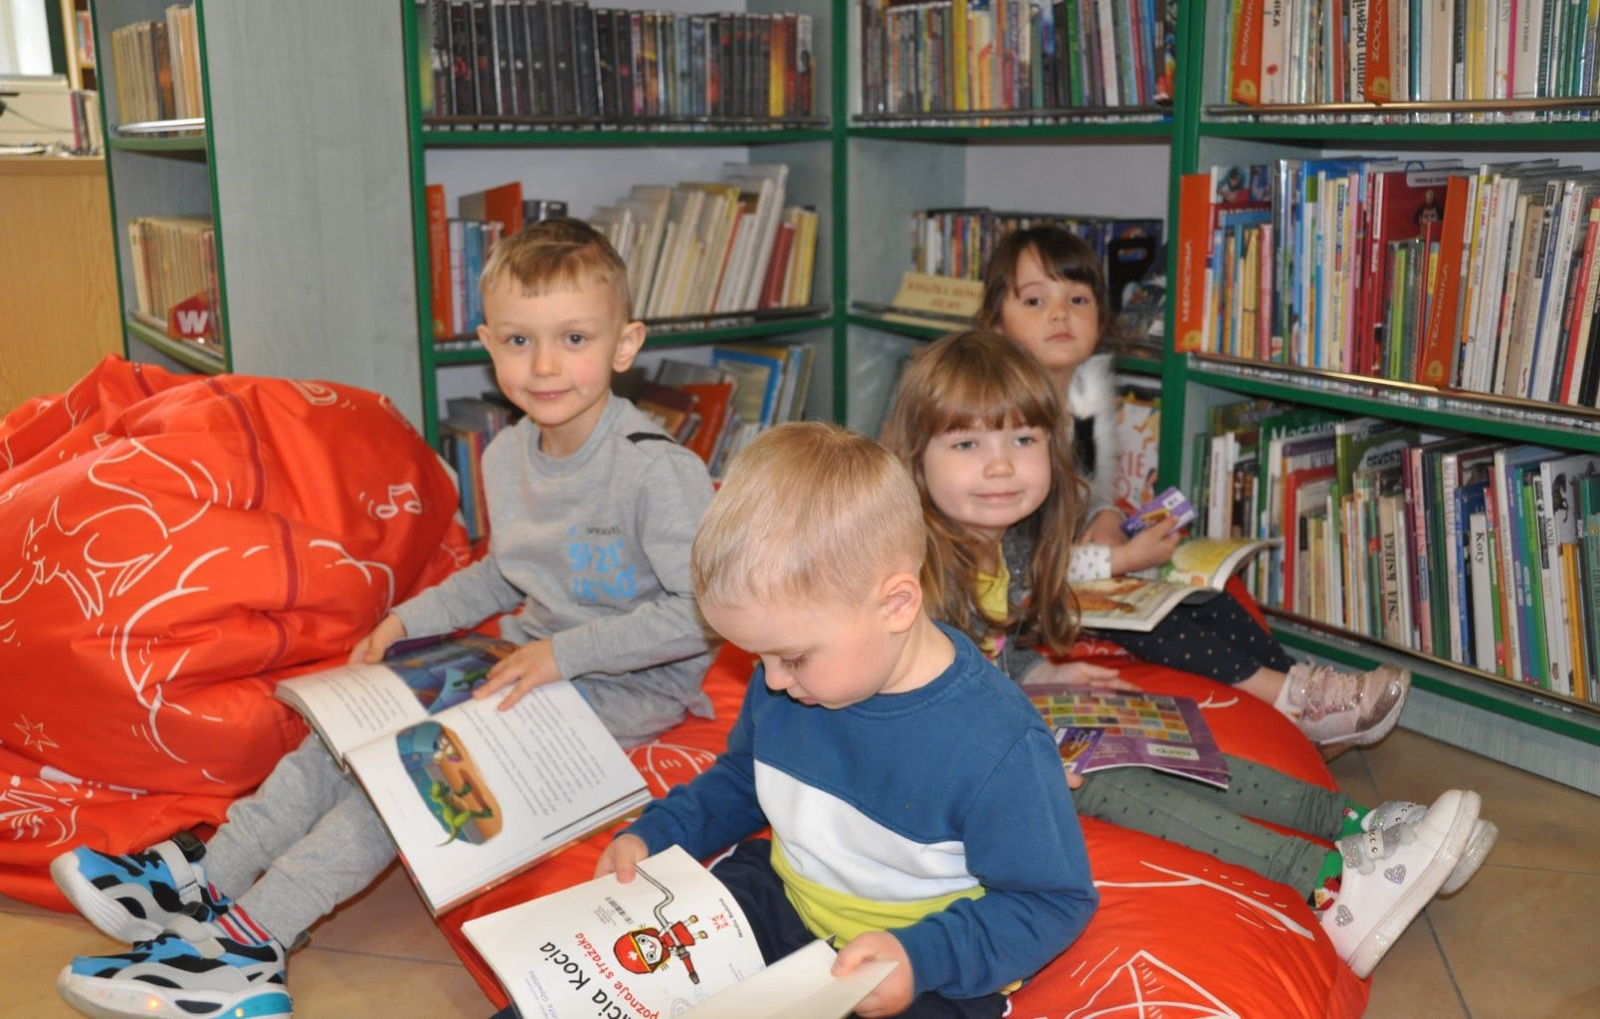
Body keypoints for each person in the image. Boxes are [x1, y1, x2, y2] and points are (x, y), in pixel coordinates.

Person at [50, 219, 720, 1019]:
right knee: (340, 731)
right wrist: (407, 621)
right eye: (519, 340)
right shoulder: (507, 454)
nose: (544, 365)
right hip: (523, 654)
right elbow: (503, 570)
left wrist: (564, 654)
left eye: (573, 338)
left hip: (629, 684)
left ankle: (252, 944)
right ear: (488, 344)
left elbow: (702, 614)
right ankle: (207, 876)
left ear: (624, 344)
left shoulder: (656, 469)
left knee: (410, 772)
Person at [880, 330, 1497, 978]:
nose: (1001, 466)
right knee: (1107, 777)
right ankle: (1331, 888)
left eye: (1023, 440)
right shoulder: (912, 572)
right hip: (943, 774)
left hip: (998, 726)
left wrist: (1040, 671)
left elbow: (989, 648)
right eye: (968, 444)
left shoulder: (1004, 539)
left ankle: (1353, 823)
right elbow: (916, 714)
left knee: (1153, 732)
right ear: (916, 457)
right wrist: (1021, 745)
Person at [594, 421, 1099, 1018]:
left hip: (920, 958)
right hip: (783, 899)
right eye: (757, 657)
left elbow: (1051, 900)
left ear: (896, 605)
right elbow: (742, 779)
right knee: (611, 981)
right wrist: (657, 834)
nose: (771, 681)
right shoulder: (790, 681)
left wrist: (919, 957)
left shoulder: (997, 746)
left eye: (791, 657)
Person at [975, 226, 1409, 751]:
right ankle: (1291, 699)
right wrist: (1119, 560)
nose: (1060, 314)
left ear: (1102, 317)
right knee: (1154, 617)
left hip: (1068, 568)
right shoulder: (1009, 429)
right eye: (1035, 300)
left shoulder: (1080, 404)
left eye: (1078, 299)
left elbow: (1084, 487)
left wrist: (1105, 516)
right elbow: (1016, 567)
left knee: (1203, 595)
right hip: (1015, 603)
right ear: (994, 322)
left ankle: (1304, 690)